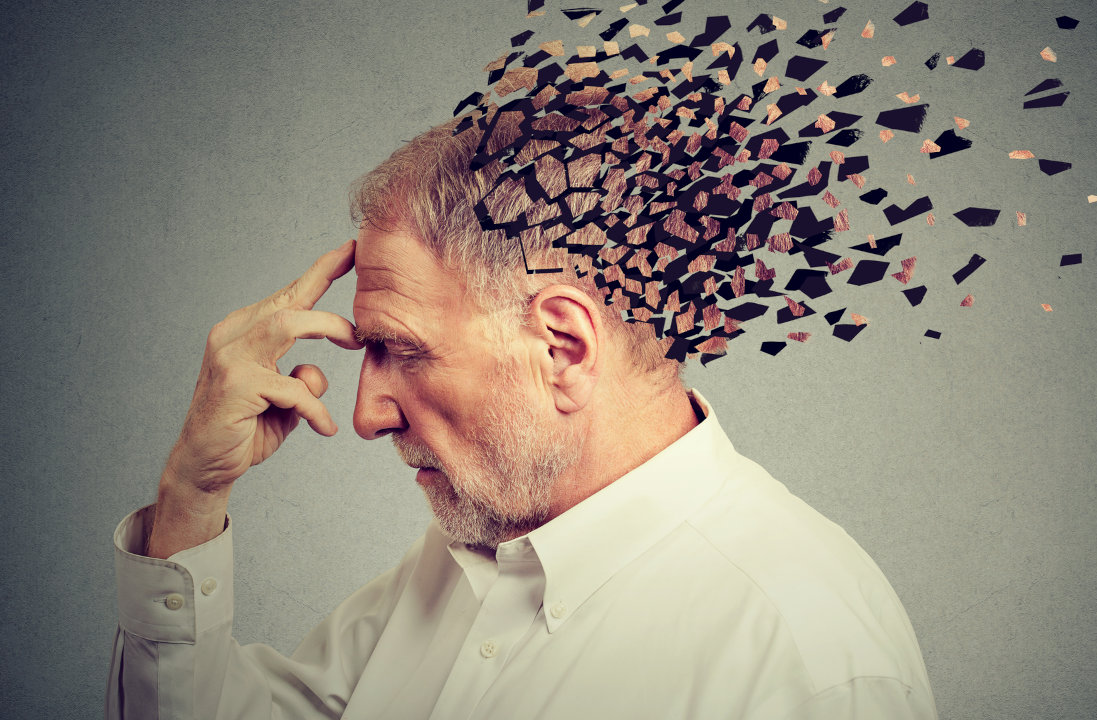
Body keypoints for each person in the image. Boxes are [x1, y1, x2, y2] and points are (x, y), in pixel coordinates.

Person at [106, 112, 938, 719]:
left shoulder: (810, 659)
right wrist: (189, 497)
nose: (365, 415)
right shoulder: (468, 557)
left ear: (563, 348)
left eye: (401, 348)